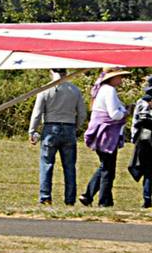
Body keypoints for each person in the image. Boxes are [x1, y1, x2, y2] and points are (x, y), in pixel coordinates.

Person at [28, 70, 87, 205]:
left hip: (50, 127)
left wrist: (32, 130)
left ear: (51, 72)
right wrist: (75, 127)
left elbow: (37, 113)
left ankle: (45, 197)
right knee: (69, 166)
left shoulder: (45, 89)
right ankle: (70, 199)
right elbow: (82, 114)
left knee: (46, 164)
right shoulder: (75, 90)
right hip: (69, 127)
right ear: (66, 72)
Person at [80, 69, 131, 207]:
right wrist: (126, 113)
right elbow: (114, 114)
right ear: (111, 78)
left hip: (101, 133)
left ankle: (88, 195)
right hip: (107, 134)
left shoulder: (102, 89)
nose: (121, 79)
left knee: (105, 167)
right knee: (108, 170)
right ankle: (104, 202)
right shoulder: (109, 91)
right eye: (119, 76)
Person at [127, 76, 152, 208]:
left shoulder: (141, 101)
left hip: (144, 139)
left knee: (148, 169)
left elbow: (135, 123)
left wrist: (133, 138)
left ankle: (147, 198)